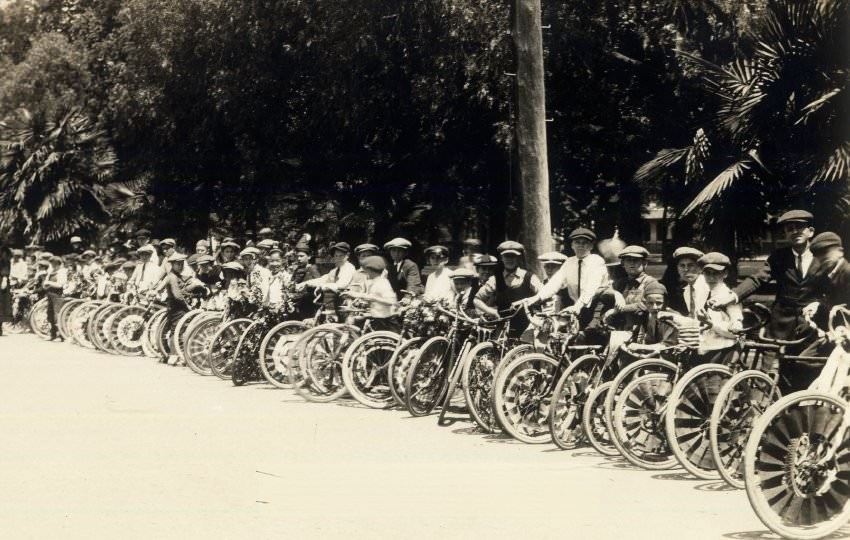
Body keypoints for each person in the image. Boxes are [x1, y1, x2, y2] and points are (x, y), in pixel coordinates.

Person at [709, 210, 822, 388]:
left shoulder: (822, 257)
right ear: (785, 234)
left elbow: (833, 289)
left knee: (806, 372)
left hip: (811, 324)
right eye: (790, 229)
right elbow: (758, 279)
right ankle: (772, 410)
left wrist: (819, 304)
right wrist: (730, 297)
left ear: (811, 231)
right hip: (780, 324)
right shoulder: (779, 256)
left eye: (800, 228)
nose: (795, 232)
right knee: (771, 376)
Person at [517, 228, 609, 328]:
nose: (581, 245)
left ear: (591, 246)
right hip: (576, 308)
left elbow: (591, 287)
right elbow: (554, 283)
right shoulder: (569, 262)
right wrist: (535, 298)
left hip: (597, 309)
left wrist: (578, 306)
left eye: (585, 243)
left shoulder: (596, 261)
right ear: (572, 245)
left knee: (589, 337)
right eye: (577, 242)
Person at [475, 241, 542, 336]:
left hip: (527, 329)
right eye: (506, 256)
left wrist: (537, 315)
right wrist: (491, 311)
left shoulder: (529, 277)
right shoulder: (496, 279)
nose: (509, 259)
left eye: (513, 256)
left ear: (518, 258)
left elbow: (543, 295)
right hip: (502, 329)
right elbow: (477, 299)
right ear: (501, 258)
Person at [694, 252, 743, 364]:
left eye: (716, 273)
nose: (711, 277)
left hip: (722, 351)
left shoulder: (728, 297)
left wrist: (711, 324)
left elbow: (735, 333)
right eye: (707, 273)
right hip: (703, 349)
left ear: (725, 274)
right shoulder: (701, 294)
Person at [342, 255, 399, 331]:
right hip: (377, 318)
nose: (365, 272)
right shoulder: (374, 281)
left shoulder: (382, 283)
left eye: (366, 270)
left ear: (370, 270)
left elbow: (391, 301)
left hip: (385, 321)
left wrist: (372, 298)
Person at [155, 252, 192, 364]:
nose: (180, 266)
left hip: (171, 306)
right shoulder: (173, 277)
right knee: (178, 330)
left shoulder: (171, 276)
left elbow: (159, 288)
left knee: (173, 330)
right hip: (178, 306)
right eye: (178, 264)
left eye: (182, 264)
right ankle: (174, 355)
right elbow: (177, 295)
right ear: (172, 265)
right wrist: (187, 306)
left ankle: (170, 354)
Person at [666, 247, 710, 318]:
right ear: (678, 269)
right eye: (682, 266)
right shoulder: (686, 290)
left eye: (691, 265)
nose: (686, 269)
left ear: (700, 268)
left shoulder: (709, 286)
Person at [43, 255, 68, 341]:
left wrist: (49, 283)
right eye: (52, 264)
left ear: (58, 264)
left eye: (54, 264)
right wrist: (46, 284)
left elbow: (60, 285)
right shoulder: (51, 272)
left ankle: (61, 336)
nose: (53, 266)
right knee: (49, 314)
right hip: (50, 294)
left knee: (57, 315)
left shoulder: (62, 272)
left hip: (58, 295)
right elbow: (45, 283)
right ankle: (52, 334)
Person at [0, 246, 12, 336]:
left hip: (1, 282)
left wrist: (4, 280)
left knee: (1, 305)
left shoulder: (4, 258)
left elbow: (5, 270)